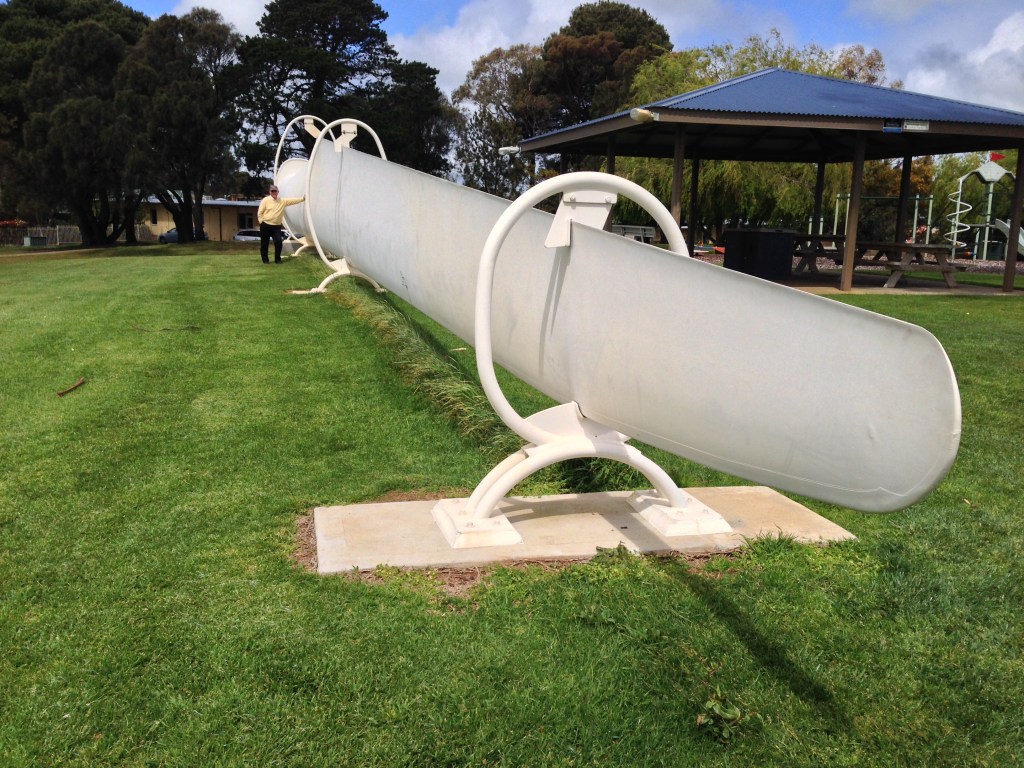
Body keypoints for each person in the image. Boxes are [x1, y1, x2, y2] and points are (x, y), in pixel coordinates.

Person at [257, 185, 304, 263]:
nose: (274, 192)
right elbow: (260, 212)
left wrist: (303, 199)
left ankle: (277, 260)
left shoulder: (282, 201)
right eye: (272, 191)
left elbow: (292, 201)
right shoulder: (265, 200)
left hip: (276, 226)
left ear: (278, 192)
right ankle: (265, 260)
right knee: (264, 244)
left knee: (278, 242)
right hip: (265, 225)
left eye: (275, 191)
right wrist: (261, 222)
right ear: (270, 192)